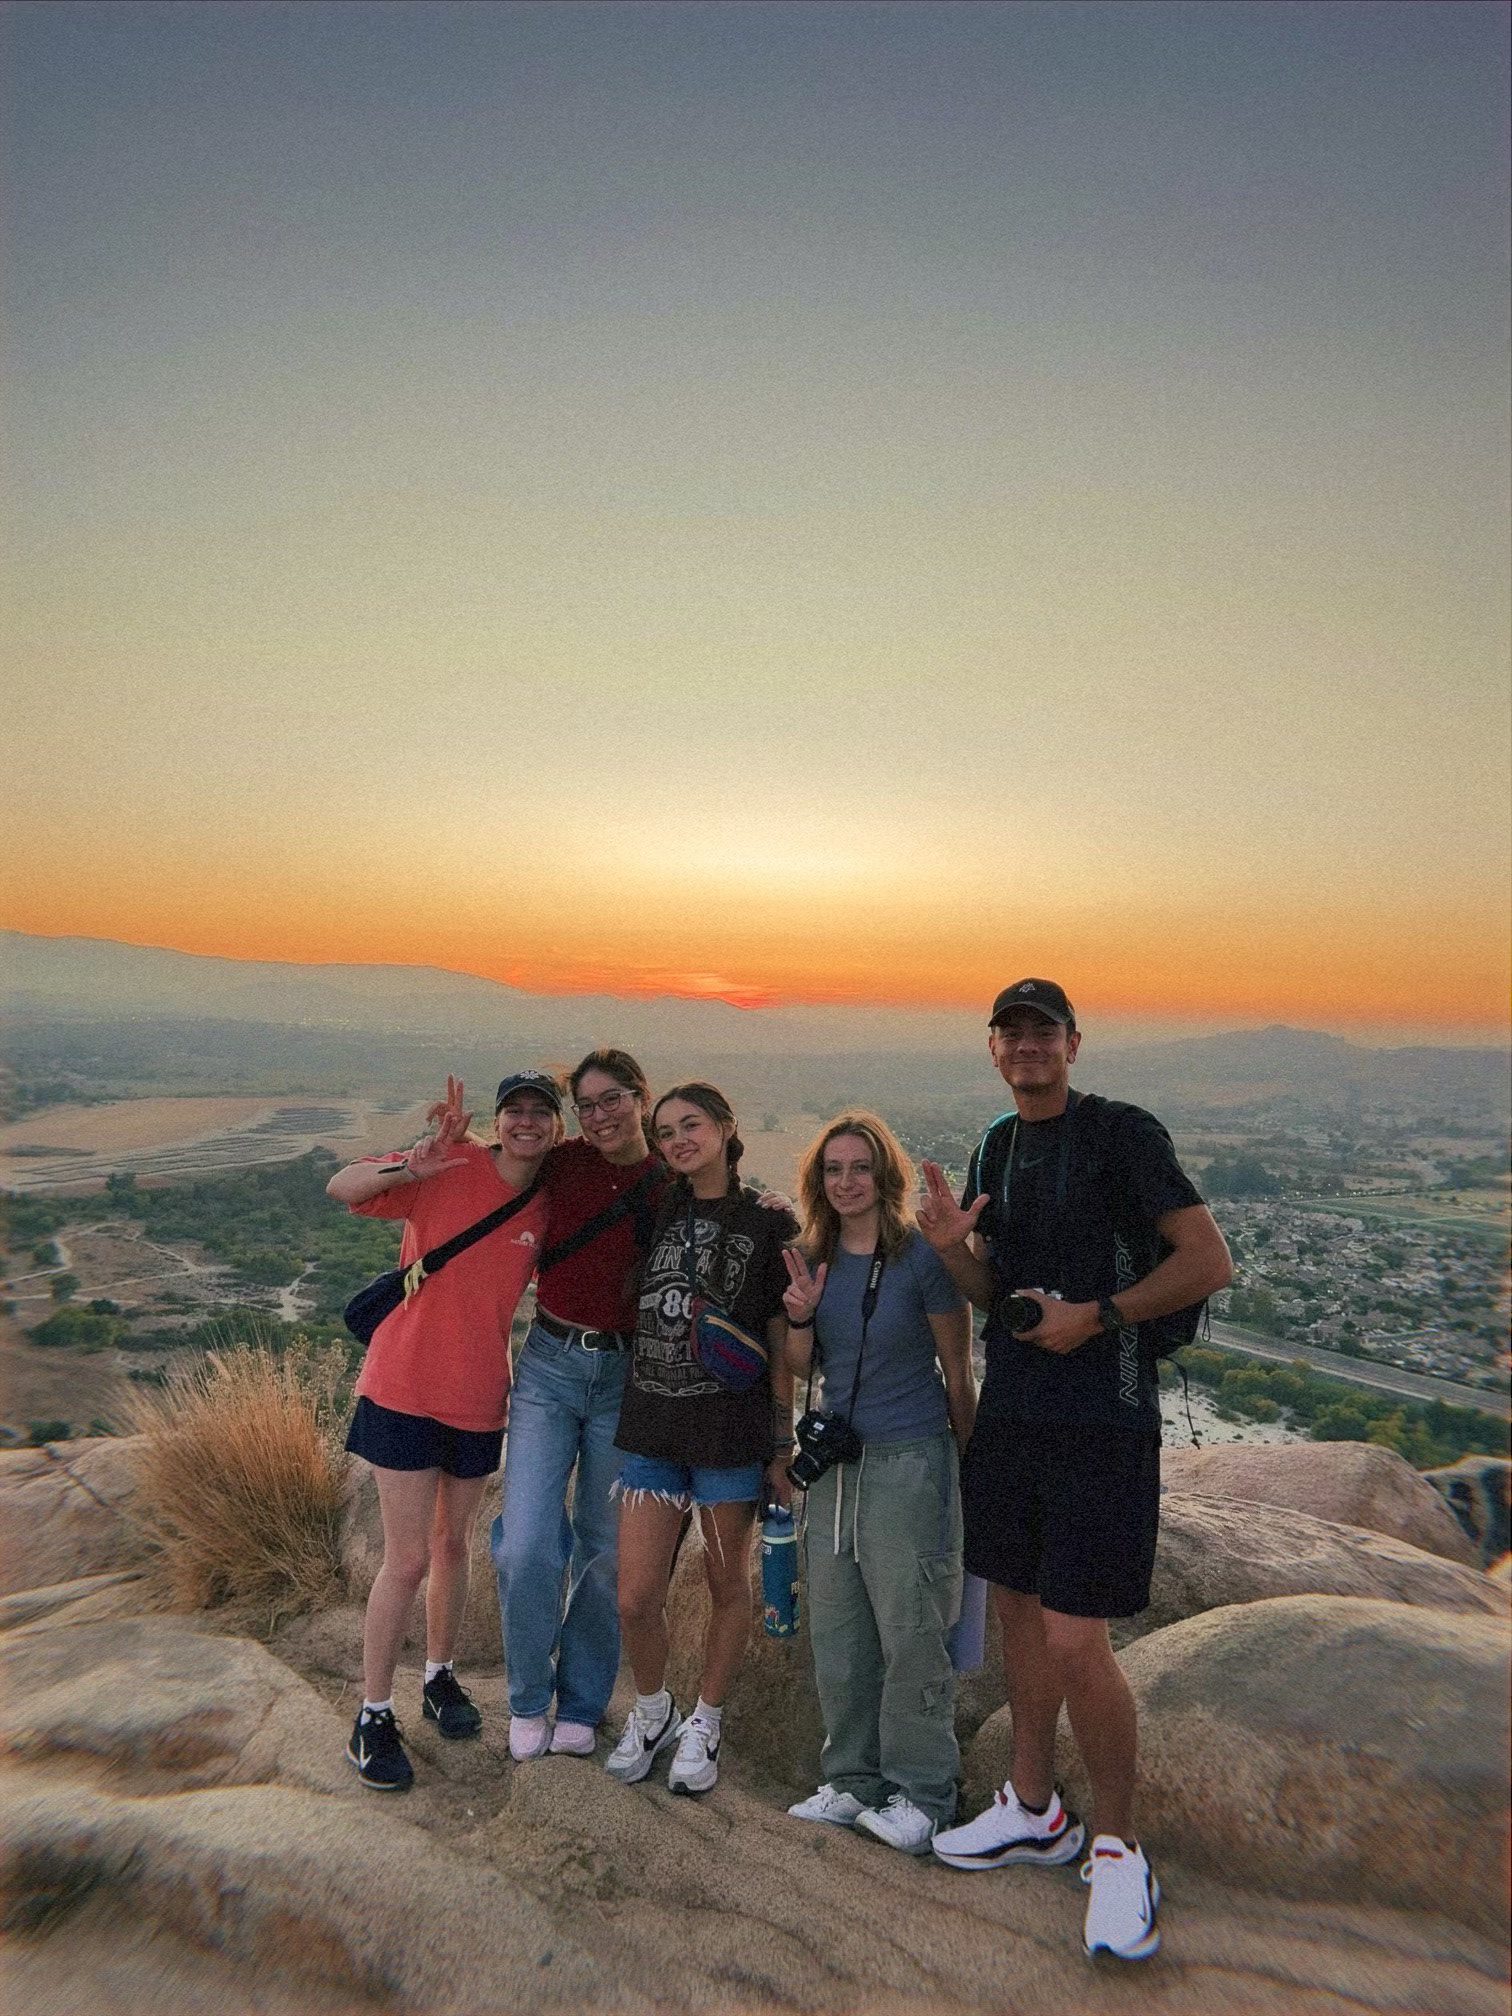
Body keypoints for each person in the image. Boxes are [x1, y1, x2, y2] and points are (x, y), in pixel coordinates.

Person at [918, 979, 1232, 1962]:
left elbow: (1207, 1260)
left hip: (1104, 1418)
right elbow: (989, 1286)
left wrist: (1094, 1318)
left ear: (1073, 1043)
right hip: (1014, 1413)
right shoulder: (997, 1146)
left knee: (1073, 1637)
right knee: (1014, 1604)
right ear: (993, 1049)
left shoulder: (1122, 1134)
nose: (1026, 1046)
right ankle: (1035, 1805)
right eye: (1010, 1032)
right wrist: (949, 1251)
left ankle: (1119, 1845)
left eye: (1042, 1031)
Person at [327, 1069, 564, 1790]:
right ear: (500, 1118)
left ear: (556, 1126)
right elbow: (342, 1187)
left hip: (479, 1395)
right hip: (403, 1386)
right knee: (406, 1561)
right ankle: (371, 1717)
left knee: (452, 1546)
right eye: (515, 1111)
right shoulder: (452, 1163)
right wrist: (411, 1160)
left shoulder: (548, 1200)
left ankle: (439, 1676)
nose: (526, 1122)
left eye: (540, 1112)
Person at [781, 1110, 975, 1856]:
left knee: (912, 1630)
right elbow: (800, 1369)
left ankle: (924, 1794)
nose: (847, 1182)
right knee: (838, 1632)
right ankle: (853, 1779)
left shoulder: (921, 1257)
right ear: (818, 1181)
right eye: (833, 1169)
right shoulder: (811, 1257)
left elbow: (957, 1370)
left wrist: (971, 1465)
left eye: (860, 1167)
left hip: (909, 1459)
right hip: (836, 1468)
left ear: (884, 1175)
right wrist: (798, 1315)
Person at [605, 1083, 797, 1796]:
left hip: (730, 1436)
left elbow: (781, 1348)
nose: (679, 1139)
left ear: (725, 1126)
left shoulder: (768, 1221)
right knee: (634, 1595)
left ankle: (706, 1721)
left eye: (692, 1125)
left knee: (725, 1583)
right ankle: (654, 1711)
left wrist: (780, 1449)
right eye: (666, 1131)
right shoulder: (652, 1208)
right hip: (653, 1427)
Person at [485, 1048, 671, 1761]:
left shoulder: (671, 1178)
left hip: (628, 1377)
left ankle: (584, 1703)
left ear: (640, 1096)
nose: (599, 1116)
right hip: (551, 1365)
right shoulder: (561, 1163)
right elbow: (490, 1175)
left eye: (611, 1099)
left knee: (602, 1550)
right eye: (586, 1105)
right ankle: (530, 1696)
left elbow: (729, 1210)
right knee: (527, 1542)